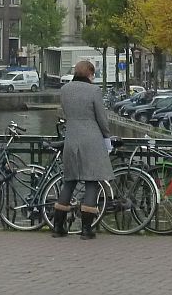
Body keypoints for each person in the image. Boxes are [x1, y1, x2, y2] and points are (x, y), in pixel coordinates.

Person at [53, 59, 113, 240]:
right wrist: (107, 136)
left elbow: (64, 112)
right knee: (91, 180)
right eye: (93, 74)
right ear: (89, 74)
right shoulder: (94, 90)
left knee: (69, 181)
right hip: (91, 139)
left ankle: (58, 227)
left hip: (71, 138)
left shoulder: (65, 90)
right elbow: (101, 117)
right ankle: (86, 230)